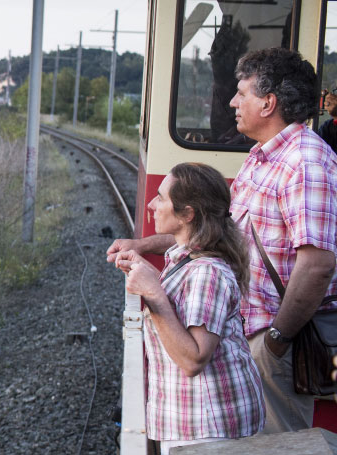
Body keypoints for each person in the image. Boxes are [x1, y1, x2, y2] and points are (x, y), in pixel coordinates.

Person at [109, 47, 337, 433]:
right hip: (249, 332)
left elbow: (317, 264)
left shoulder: (306, 163)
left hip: (275, 338)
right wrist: (144, 245)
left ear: (268, 103)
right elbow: (219, 235)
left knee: (277, 443)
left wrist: (277, 340)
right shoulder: (261, 158)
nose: (232, 101)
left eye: (242, 93)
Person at [115, 162, 264, 454]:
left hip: (211, 427)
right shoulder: (187, 257)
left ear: (187, 214)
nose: (151, 204)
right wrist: (142, 270)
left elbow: (194, 359)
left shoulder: (207, 272)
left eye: (161, 198)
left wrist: (153, 292)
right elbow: (181, 306)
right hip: (197, 421)